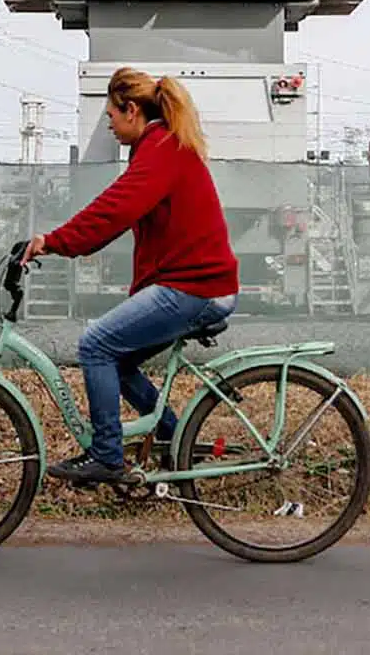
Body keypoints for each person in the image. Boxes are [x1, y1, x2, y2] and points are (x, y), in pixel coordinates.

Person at [21, 67, 239, 484]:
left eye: (111, 116)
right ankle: (179, 442)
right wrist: (67, 244)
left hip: (196, 288)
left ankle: (107, 456)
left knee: (96, 345)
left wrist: (53, 241)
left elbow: (113, 210)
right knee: (115, 360)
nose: (109, 124)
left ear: (132, 110)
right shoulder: (161, 148)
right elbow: (126, 222)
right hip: (194, 284)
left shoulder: (161, 149)